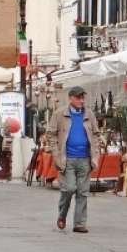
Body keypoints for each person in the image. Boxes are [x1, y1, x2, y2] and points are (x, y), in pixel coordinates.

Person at [48, 86, 101, 233]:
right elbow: (50, 134)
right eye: (78, 98)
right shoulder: (59, 114)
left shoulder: (89, 114)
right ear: (70, 98)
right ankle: (62, 214)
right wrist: (56, 153)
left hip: (85, 159)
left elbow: (96, 134)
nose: (81, 100)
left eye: (83, 97)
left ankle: (79, 223)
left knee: (83, 192)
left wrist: (95, 155)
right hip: (67, 159)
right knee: (69, 188)